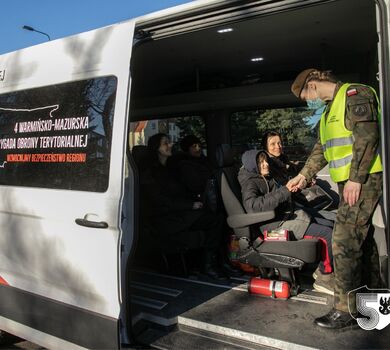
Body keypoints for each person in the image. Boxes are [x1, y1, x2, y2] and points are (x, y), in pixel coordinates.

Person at [288, 68, 383, 329]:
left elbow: (367, 138)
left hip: (363, 179)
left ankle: (346, 310)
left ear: (313, 84)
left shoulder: (354, 94)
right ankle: (375, 303)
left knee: (342, 239)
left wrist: (356, 178)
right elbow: (322, 149)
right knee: (361, 241)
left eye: (306, 96)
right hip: (351, 182)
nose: (308, 102)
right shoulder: (329, 112)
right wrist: (303, 176)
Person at [238, 149, 334, 294]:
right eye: (260, 162)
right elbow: (253, 206)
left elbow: (281, 191)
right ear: (253, 165)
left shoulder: (267, 176)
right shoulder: (250, 182)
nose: (265, 165)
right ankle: (324, 278)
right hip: (274, 225)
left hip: (286, 216)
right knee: (327, 234)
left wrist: (292, 188)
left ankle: (322, 269)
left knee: (330, 225)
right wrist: (284, 191)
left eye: (265, 161)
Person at [142, 133, 228, 282]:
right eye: (165, 143)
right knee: (214, 220)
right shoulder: (150, 173)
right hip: (165, 218)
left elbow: (181, 190)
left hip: (178, 212)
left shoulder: (171, 168)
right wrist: (190, 205)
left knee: (216, 216)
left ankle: (218, 262)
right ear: (156, 148)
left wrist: (195, 200)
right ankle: (208, 266)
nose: (170, 145)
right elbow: (160, 200)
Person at [262, 130, 335, 210]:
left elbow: (296, 172)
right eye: (273, 144)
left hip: (299, 195)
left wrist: (308, 178)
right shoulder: (267, 165)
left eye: (279, 143)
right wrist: (303, 183)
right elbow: (283, 186)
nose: (278, 146)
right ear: (265, 147)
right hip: (290, 201)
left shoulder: (283, 159)